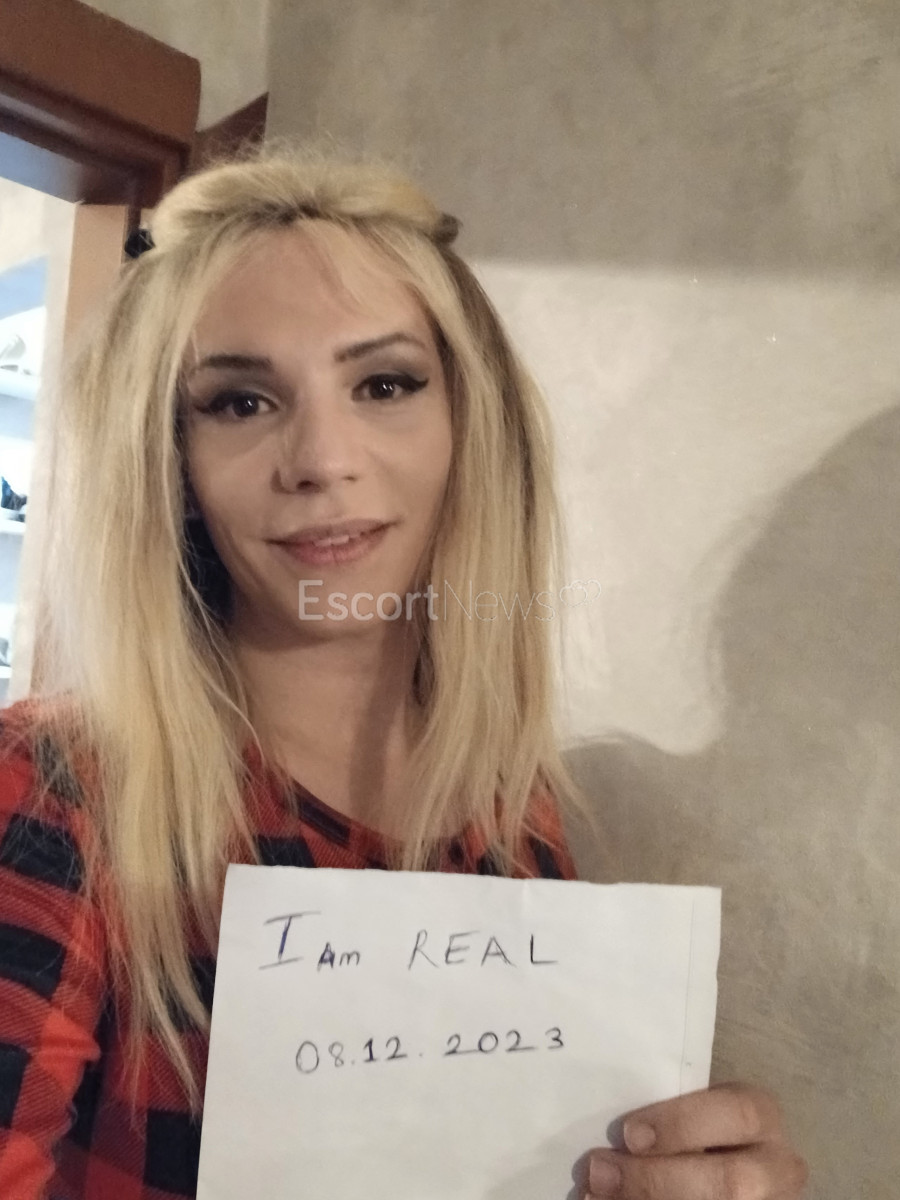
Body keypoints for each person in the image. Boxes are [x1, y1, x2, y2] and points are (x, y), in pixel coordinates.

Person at [0, 141, 808, 1200]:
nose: (322, 461)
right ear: (169, 462)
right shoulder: (48, 794)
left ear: (472, 427)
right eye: (239, 402)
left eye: (385, 384)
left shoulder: (518, 818)